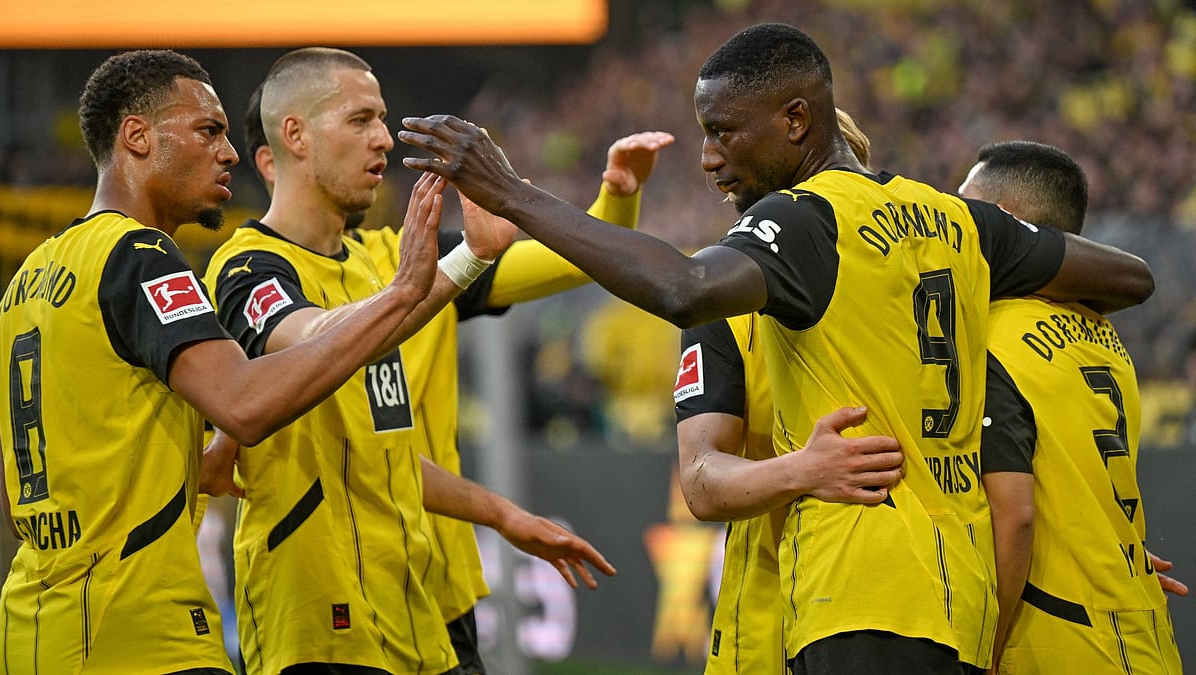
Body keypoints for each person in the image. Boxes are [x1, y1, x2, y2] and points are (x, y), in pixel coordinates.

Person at [399, 22, 1155, 673]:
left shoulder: (803, 220)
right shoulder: (954, 222)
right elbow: (1129, 275)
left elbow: (685, 286)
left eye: (724, 131)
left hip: (857, 585)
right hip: (957, 592)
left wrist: (513, 193)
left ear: (797, 121)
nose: (707, 157)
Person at [0, 49, 445, 674]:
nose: (230, 152)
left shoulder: (30, 278)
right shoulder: (138, 255)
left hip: (31, 624)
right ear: (137, 137)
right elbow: (246, 405)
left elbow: (18, 482)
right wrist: (401, 296)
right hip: (139, 630)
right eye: (208, 131)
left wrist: (184, 465)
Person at [225, 77, 672, 673]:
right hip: (318, 603)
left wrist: (615, 201)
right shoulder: (250, 267)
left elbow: (564, 264)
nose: (383, 139)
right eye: (360, 120)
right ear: (291, 139)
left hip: (433, 584)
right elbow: (314, 342)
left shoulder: (396, 255)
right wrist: (458, 265)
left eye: (383, 118)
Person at [673, 108, 907, 674]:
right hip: (784, 615)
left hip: (893, 602)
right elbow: (701, 480)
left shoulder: (916, 294)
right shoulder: (725, 310)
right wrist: (804, 470)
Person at [962, 141, 1184, 673]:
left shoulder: (990, 338)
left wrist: (983, 653)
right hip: (1144, 626)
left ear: (1007, 226)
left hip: (1057, 638)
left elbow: (1014, 518)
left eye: (968, 210)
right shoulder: (1106, 336)